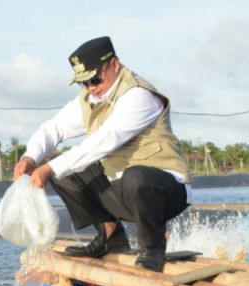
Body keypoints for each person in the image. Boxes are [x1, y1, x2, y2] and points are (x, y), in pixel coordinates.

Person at [12, 36, 191, 271]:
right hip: (121, 191)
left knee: (135, 176)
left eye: (95, 79)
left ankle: (153, 246)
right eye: (83, 83)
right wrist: (30, 157)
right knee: (61, 168)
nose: (91, 88)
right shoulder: (91, 99)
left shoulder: (138, 96)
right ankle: (110, 234)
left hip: (164, 191)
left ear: (114, 65)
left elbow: (104, 141)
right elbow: (53, 128)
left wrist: (47, 170)